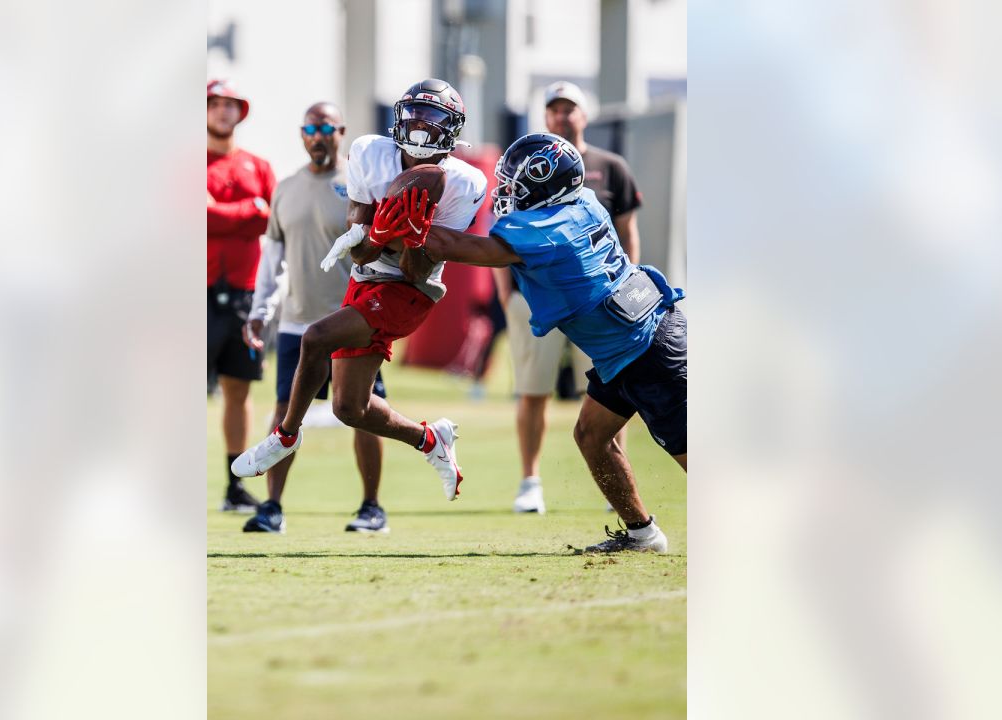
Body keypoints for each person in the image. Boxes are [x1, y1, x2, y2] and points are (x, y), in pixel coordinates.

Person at [419, 132, 686, 553]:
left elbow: (452, 245)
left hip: (646, 351)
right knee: (591, 436)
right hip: (629, 341)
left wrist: (394, 220)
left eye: (515, 182)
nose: (507, 190)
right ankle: (642, 533)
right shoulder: (583, 202)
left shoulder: (548, 230)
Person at [232, 79, 487, 503]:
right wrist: (384, 229)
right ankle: (430, 440)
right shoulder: (373, 152)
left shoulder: (464, 182)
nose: (422, 126)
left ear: (453, 128)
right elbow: (361, 252)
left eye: (435, 118)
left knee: (315, 338)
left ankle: (285, 435)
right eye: (415, 115)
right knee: (351, 408)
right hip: (366, 277)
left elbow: (414, 267)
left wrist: (413, 236)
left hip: (411, 289)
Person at [240, 102, 390, 534]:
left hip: (353, 320)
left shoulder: (360, 185)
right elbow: (273, 260)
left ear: (341, 131)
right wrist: (260, 311)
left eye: (327, 127)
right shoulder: (285, 188)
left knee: (362, 410)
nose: (318, 135)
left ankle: (372, 508)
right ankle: (272, 507)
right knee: (286, 411)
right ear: (302, 134)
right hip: (297, 324)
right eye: (310, 128)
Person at [498, 81, 645, 515]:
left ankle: (618, 483)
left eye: (570, 109)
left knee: (612, 389)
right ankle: (530, 481)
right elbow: (502, 235)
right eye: (554, 109)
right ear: (545, 117)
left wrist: (627, 285)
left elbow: (626, 232)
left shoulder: (609, 165)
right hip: (536, 299)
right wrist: (508, 294)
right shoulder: (521, 162)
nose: (562, 116)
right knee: (532, 389)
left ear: (584, 115)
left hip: (600, 300)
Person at [207, 79, 276, 512]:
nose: (222, 111)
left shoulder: (258, 165)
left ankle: (235, 486)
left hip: (244, 294)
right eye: (214, 103)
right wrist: (247, 212)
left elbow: (270, 219)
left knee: (239, 390)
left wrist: (228, 213)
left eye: (230, 104)